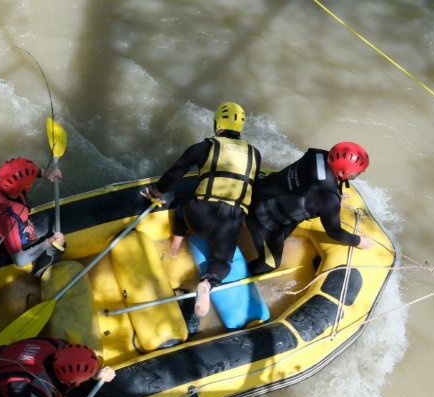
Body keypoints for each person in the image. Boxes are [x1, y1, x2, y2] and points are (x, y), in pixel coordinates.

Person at [141, 102, 261, 318]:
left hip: (198, 216)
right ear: (240, 128)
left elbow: (175, 173)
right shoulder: (255, 154)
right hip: (230, 222)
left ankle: (176, 244)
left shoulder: (204, 147)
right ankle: (208, 282)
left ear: (217, 123)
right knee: (223, 262)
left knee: (181, 201)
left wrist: (156, 192)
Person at [245, 142, 374, 276]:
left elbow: (309, 183)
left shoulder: (316, 156)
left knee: (299, 211)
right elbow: (335, 233)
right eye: (354, 175)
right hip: (261, 217)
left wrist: (333, 194)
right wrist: (358, 241)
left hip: (257, 190)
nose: (355, 176)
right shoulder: (328, 199)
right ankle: (239, 276)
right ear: (342, 172)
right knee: (270, 264)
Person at [0, 157, 65, 271]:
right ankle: (39, 272)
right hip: (2, 256)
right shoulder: (7, 221)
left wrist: (45, 172)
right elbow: (20, 260)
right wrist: (50, 241)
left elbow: (20, 172)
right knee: (59, 246)